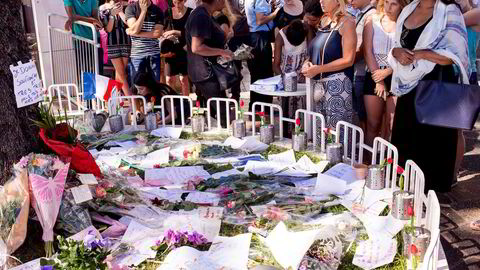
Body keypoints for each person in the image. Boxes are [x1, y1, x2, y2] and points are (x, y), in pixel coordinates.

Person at [388, 0, 469, 192]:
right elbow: (395, 45)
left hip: (436, 89)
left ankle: (428, 208)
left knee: (432, 150)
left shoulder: (450, 11)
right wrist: (396, 51)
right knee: (406, 146)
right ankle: (406, 200)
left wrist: (421, 54)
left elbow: (454, 54)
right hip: (408, 91)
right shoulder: (408, 9)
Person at [301, 0, 357, 131]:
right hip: (319, 86)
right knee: (320, 133)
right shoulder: (324, 21)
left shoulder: (347, 22)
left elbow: (349, 59)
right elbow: (316, 52)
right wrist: (307, 63)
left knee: (337, 135)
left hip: (338, 86)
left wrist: (319, 69)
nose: (321, 1)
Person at [362, 0, 407, 145]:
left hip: (397, 77)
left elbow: (410, 53)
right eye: (386, 2)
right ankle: (369, 163)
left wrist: (388, 72)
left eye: (393, 3)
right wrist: (379, 80)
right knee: (373, 124)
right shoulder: (372, 20)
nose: (388, 7)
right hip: (374, 76)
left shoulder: (406, 23)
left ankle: (388, 165)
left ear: (401, 4)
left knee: (392, 125)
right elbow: (367, 51)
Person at [185, 0, 234, 127]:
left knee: (216, 111)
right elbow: (197, 47)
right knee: (223, 111)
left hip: (206, 72)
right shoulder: (200, 15)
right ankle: (226, 140)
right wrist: (222, 52)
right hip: (204, 73)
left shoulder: (205, 14)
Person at [273, 19, 308, 136]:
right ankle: (287, 137)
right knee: (286, 110)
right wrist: (284, 80)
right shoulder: (280, 36)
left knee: (302, 110)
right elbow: (276, 65)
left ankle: (302, 137)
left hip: (304, 78)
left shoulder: (307, 30)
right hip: (287, 79)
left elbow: (312, 53)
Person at [245, 0, 279, 108]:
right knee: (265, 74)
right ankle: (264, 108)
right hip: (260, 38)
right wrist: (275, 13)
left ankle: (255, 107)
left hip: (252, 37)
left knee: (255, 75)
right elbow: (260, 20)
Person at [351, 0, 376, 132]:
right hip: (356, 71)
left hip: (362, 73)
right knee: (359, 116)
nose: (350, 1)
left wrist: (346, 60)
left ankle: (364, 148)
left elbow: (365, 48)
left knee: (364, 117)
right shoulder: (361, 14)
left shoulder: (371, 15)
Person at [125, 0, 165, 83]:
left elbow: (157, 34)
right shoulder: (131, 8)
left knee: (154, 86)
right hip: (137, 55)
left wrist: (134, 33)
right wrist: (143, 12)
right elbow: (135, 29)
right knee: (137, 86)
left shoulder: (158, 10)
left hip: (153, 54)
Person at [64, 0, 105, 79]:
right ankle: (84, 91)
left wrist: (96, 21)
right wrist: (92, 20)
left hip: (95, 38)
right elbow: (71, 16)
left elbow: (95, 16)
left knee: (98, 71)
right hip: (80, 40)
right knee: (83, 71)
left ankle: (97, 91)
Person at [99, 0, 132, 96]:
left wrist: (120, 11)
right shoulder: (103, 8)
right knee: (121, 73)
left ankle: (110, 97)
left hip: (126, 42)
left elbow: (128, 23)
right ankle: (132, 101)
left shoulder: (127, 6)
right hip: (112, 43)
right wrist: (112, 14)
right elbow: (108, 29)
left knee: (120, 73)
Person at [162, 0, 192, 96]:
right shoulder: (168, 12)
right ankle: (173, 103)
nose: (177, 5)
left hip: (185, 48)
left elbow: (192, 33)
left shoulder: (190, 12)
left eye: (179, 2)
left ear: (185, 1)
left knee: (184, 79)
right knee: (169, 79)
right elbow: (162, 30)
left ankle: (186, 103)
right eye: (174, 2)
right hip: (171, 49)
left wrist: (174, 32)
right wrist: (167, 35)